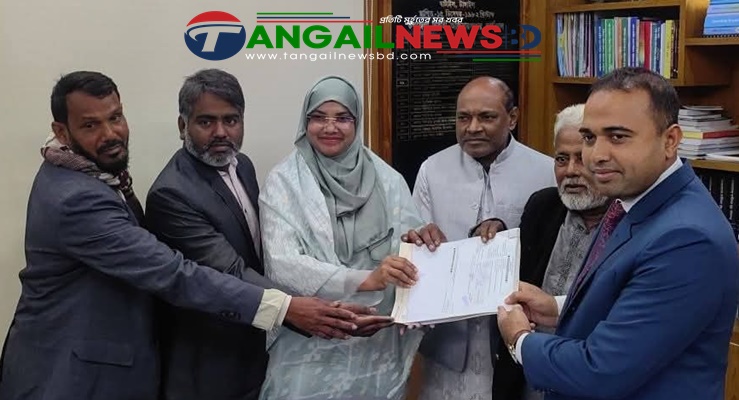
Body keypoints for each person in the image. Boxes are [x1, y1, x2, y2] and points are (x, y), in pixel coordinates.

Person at [0, 71, 372, 400]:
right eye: (90, 125)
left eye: (115, 117)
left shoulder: (235, 167)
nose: (111, 133)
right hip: (70, 375)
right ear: (61, 132)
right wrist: (288, 308)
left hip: (216, 356)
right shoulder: (78, 198)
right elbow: (175, 273)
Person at [498, 67, 739, 400]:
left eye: (618, 137)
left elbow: (600, 370)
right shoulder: (633, 199)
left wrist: (519, 340)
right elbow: (632, 299)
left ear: (670, 141)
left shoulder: (687, 240)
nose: (596, 156)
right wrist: (557, 307)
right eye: (589, 137)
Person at [147, 69, 339, 400]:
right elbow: (230, 270)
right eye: (206, 122)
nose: (221, 132)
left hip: (251, 349)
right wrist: (295, 308)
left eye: (231, 120)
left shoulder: (242, 165)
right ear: (182, 126)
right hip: (207, 364)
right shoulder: (171, 194)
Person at [257, 76, 433, 400]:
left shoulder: (387, 179)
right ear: (305, 122)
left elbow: (408, 249)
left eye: (342, 118)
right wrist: (367, 279)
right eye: (318, 117)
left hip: (376, 342)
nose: (330, 127)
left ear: (357, 122)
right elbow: (283, 264)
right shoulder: (283, 182)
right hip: (310, 341)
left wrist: (419, 242)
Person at [412, 76, 555, 400]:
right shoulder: (432, 170)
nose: (473, 127)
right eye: (463, 118)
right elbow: (415, 245)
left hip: (519, 334)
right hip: (450, 342)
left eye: (486, 117)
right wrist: (420, 241)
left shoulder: (545, 171)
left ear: (512, 118)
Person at [479, 104, 611, 399]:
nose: (571, 171)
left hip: (591, 380)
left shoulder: (631, 226)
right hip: (527, 375)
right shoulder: (543, 207)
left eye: (582, 158)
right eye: (562, 159)